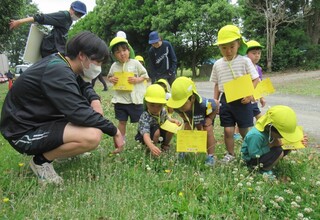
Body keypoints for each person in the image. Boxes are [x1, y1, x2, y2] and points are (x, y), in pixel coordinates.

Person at [0, 31, 124, 184]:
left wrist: (94, 99)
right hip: (22, 132)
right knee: (92, 135)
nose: (98, 67)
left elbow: (83, 83)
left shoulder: (61, 62)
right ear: (82, 55)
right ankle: (41, 162)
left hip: (37, 121)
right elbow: (79, 113)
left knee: (90, 118)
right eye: (97, 62)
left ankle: (59, 153)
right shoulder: (58, 71)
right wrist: (114, 130)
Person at [210, 24, 260, 163]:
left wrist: (250, 95)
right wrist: (216, 101)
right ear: (219, 47)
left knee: (245, 131)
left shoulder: (244, 61)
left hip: (243, 101)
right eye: (224, 47)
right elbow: (217, 85)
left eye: (232, 46)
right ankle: (230, 154)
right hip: (226, 100)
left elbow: (256, 79)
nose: (228, 51)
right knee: (228, 130)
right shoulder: (217, 64)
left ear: (238, 44)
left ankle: (251, 154)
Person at [241, 105, 308, 177]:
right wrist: (271, 145)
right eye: (281, 135)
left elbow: (282, 140)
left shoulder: (270, 131)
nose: (282, 137)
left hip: (263, 150)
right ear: (270, 129)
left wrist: (297, 142)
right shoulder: (256, 135)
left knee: (285, 148)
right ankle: (264, 170)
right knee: (279, 151)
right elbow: (254, 154)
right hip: (252, 160)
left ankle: (269, 163)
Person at [167, 76, 219, 166]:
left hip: (204, 116)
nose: (180, 107)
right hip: (190, 117)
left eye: (183, 104)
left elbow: (216, 103)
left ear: (192, 98)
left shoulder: (204, 104)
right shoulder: (177, 106)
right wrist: (186, 119)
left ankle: (210, 156)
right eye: (178, 104)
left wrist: (210, 118)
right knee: (187, 129)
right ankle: (183, 152)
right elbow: (180, 112)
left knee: (207, 130)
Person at [9, 1, 87, 58]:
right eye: (78, 13)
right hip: (51, 50)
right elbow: (41, 18)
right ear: (72, 9)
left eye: (81, 15)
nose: (78, 16)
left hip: (59, 49)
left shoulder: (69, 20)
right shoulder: (63, 16)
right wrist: (19, 21)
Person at [107, 37, 149, 141]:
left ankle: (142, 137)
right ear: (114, 55)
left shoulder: (135, 63)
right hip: (120, 100)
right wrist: (112, 79)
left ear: (129, 51)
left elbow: (145, 76)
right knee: (122, 121)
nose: (122, 54)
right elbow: (109, 77)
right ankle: (121, 139)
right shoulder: (114, 66)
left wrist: (137, 79)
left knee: (141, 120)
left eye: (124, 50)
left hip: (134, 100)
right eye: (118, 52)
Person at [233, 40, 266, 140]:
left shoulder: (258, 69)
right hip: (245, 98)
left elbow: (259, 84)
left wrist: (262, 98)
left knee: (259, 117)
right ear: (246, 54)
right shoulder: (243, 67)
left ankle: (263, 132)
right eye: (254, 53)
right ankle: (236, 133)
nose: (257, 55)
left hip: (253, 99)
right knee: (242, 118)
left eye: (259, 53)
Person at [135, 84, 180, 156]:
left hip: (159, 133)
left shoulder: (163, 111)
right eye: (152, 105)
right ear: (146, 103)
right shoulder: (145, 116)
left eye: (159, 105)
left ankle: (165, 145)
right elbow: (145, 134)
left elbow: (167, 118)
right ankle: (152, 149)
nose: (156, 109)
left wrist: (173, 121)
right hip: (147, 137)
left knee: (171, 127)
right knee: (156, 131)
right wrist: (151, 146)